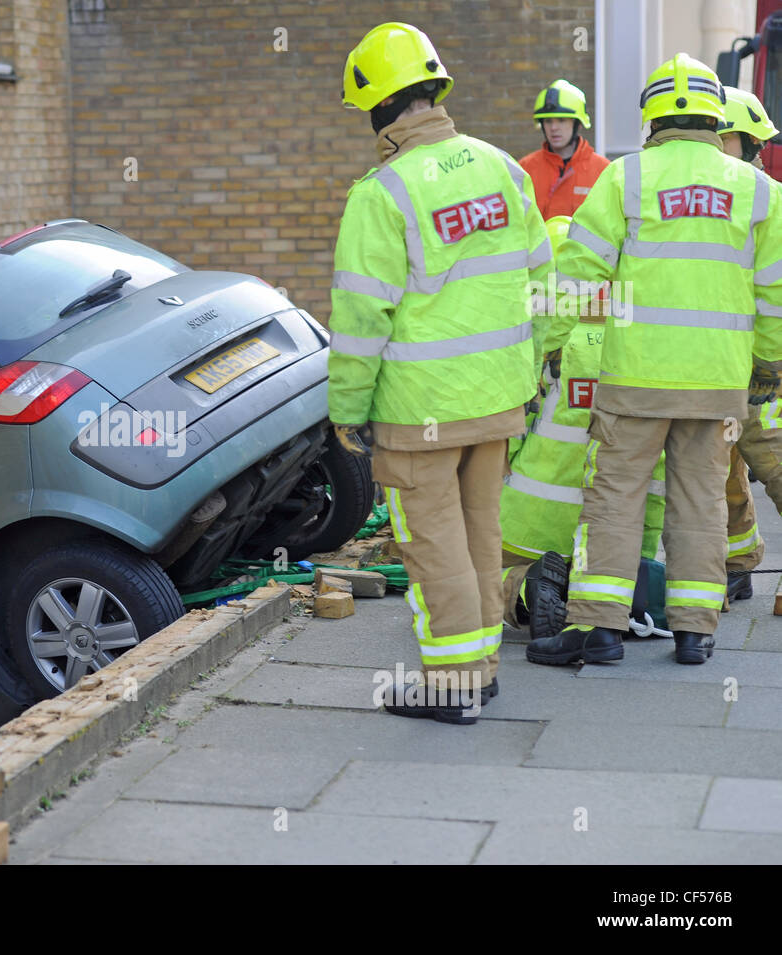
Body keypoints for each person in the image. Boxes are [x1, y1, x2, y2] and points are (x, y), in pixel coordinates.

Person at [527, 54, 782, 668]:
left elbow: (579, 273)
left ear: (652, 117)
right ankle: (695, 632)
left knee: (615, 499)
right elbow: (774, 292)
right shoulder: (759, 191)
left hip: (634, 380)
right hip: (719, 382)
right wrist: (769, 366)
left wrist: (552, 344)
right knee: (701, 501)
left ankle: (599, 632)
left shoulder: (625, 179)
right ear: (714, 114)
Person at [330, 21, 550, 722]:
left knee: (434, 545)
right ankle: (480, 668)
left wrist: (347, 409)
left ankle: (453, 684)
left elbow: (363, 319)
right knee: (482, 532)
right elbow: (542, 283)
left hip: (418, 409)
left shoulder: (381, 194)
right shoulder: (503, 169)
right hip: (496, 398)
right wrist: (529, 372)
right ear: (434, 91)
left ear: (378, 109)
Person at [501, 216, 667, 641]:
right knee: (614, 582)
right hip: (612, 535)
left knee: (460, 582)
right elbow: (660, 464)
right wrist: (644, 553)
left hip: (525, 528)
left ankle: (526, 586)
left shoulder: (541, 348)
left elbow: (511, 435)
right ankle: (609, 600)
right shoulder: (642, 346)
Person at [719, 86, 782, 601]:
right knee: (724, 471)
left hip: (762, 365)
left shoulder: (765, 201)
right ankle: (736, 562)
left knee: (774, 464)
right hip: (721, 362)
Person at [518, 79, 610, 219]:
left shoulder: (602, 170)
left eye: (561, 120)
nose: (554, 128)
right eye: (548, 121)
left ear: (578, 124)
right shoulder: (525, 169)